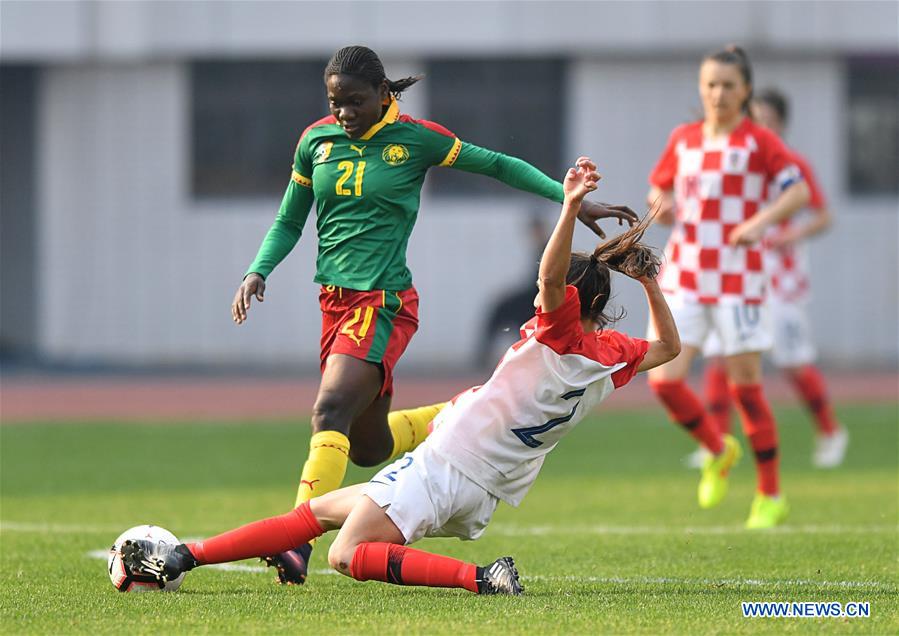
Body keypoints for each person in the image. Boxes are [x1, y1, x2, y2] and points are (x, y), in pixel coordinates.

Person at [120, 157, 679, 596]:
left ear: (574, 303)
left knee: (345, 555)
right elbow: (669, 347)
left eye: (549, 296)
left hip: (450, 466)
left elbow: (550, 279)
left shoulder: (562, 333)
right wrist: (651, 283)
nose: (538, 298)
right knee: (318, 512)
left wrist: (569, 206)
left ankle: (483, 579)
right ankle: (187, 556)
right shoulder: (611, 355)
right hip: (481, 488)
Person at [231, 46, 638, 583]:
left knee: (329, 410)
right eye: (335, 103)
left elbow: (497, 164)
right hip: (333, 303)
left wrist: (571, 202)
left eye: (355, 102)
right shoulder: (316, 142)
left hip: (382, 302)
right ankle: (451, 413)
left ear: (383, 94)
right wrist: (258, 270)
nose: (345, 113)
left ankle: (295, 541)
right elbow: (290, 220)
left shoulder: (416, 140)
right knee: (368, 445)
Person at [646, 46, 811, 529]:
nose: (718, 94)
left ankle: (770, 495)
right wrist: (662, 206)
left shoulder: (759, 141)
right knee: (664, 380)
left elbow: (798, 191)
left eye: (728, 85)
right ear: (701, 89)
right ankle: (717, 449)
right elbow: (658, 188)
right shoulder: (683, 139)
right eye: (711, 85)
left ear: (746, 91)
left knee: (746, 390)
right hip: (685, 275)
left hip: (739, 281)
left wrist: (760, 222)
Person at [698, 89, 847, 469]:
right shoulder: (736, 161)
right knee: (721, 354)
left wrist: (794, 233)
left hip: (780, 276)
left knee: (793, 361)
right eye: (755, 118)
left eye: (767, 119)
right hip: (737, 269)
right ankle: (716, 443)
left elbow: (823, 215)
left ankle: (830, 431)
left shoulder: (793, 165)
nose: (759, 126)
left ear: (781, 124)